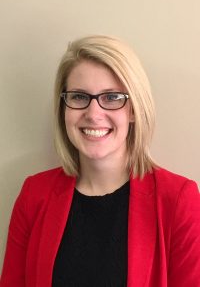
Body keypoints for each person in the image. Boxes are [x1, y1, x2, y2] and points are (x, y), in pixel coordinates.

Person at [0, 35, 200, 287]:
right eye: (79, 97)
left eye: (112, 97)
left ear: (135, 110)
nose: (94, 114)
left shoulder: (178, 199)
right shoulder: (34, 195)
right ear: (64, 107)